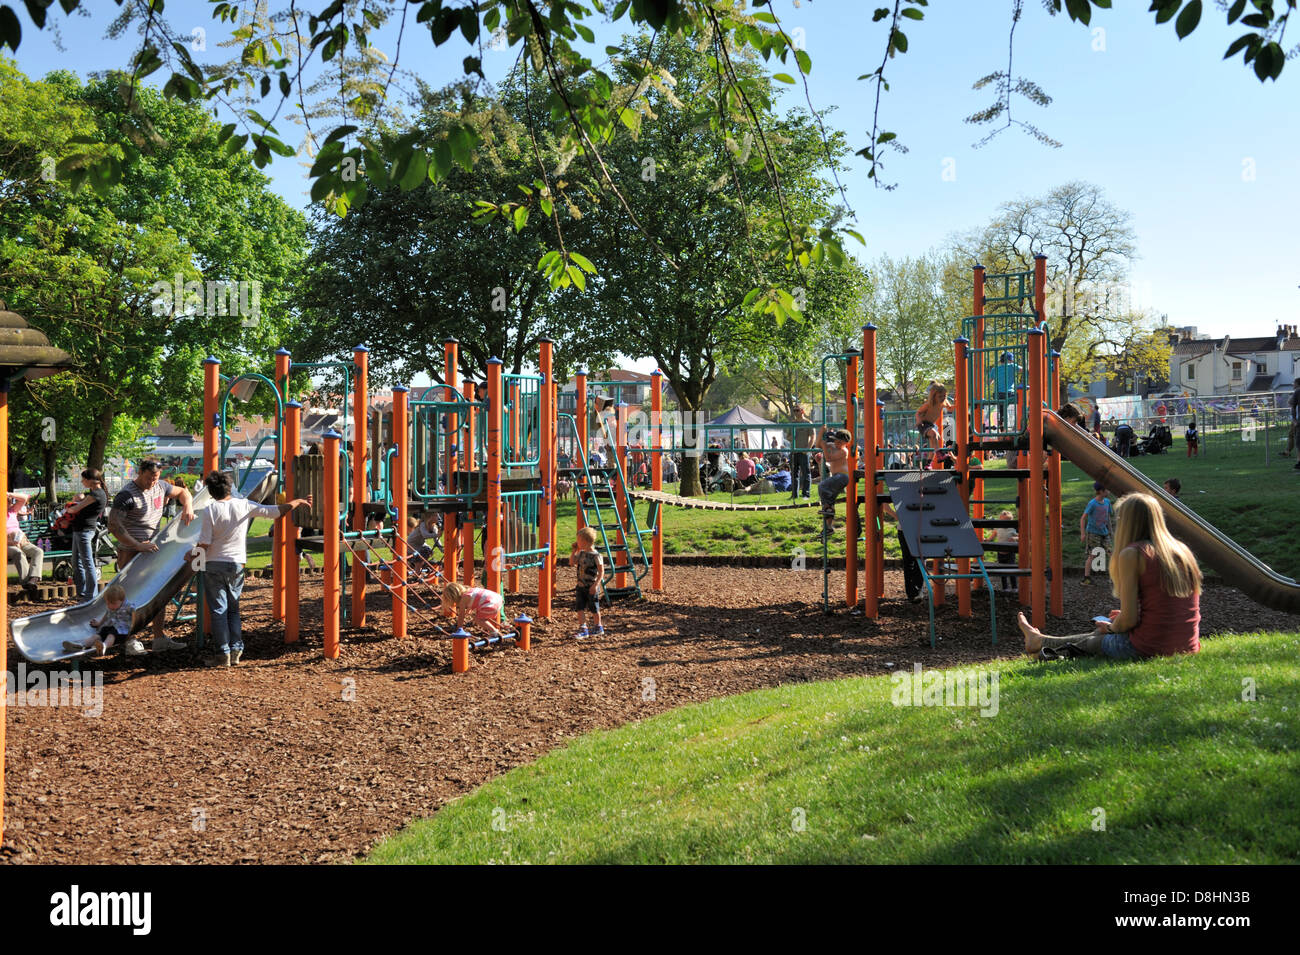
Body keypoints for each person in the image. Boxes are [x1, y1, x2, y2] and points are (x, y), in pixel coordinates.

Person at [1020, 493, 1201, 660]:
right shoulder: (1182, 551)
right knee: (1103, 630)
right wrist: (1117, 621)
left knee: (1097, 640)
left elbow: (1129, 620)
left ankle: (1042, 644)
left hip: (1151, 646)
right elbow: (1164, 606)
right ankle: (1040, 640)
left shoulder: (1134, 554)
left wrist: (1112, 627)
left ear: (1127, 523)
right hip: (1187, 643)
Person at [193, 471, 310, 667]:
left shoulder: (210, 510)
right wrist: (296, 502)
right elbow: (275, 511)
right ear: (230, 488)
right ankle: (237, 648)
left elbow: (204, 543)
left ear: (211, 492)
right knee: (233, 609)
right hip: (237, 563)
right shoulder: (243, 505)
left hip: (214, 563)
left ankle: (223, 653)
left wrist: (192, 554)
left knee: (218, 610)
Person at [109, 459, 196, 655]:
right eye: (149, 478)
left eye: (155, 478)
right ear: (139, 473)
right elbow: (114, 526)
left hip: (153, 548)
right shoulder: (127, 495)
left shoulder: (161, 486)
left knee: (158, 592)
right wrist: (137, 545)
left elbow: (183, 492)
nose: (152, 482)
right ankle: (129, 639)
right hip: (131, 550)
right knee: (129, 594)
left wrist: (188, 506)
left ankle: (159, 638)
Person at [64, 468, 108, 601]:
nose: (82, 481)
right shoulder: (94, 493)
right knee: (77, 563)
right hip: (79, 530)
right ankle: (82, 593)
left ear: (91, 480)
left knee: (87, 563)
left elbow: (75, 509)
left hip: (85, 531)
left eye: (84, 479)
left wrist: (67, 508)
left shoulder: (96, 494)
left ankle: (90, 595)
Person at [63, 584, 134, 657]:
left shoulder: (128, 606)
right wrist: (100, 623)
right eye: (108, 603)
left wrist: (132, 630)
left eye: (112, 603)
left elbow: (136, 613)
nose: (109, 606)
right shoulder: (112, 607)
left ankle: (104, 646)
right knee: (95, 636)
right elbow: (107, 615)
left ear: (122, 600)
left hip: (120, 630)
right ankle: (80, 645)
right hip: (109, 627)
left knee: (111, 636)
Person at [814, 427, 852, 536]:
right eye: (835, 441)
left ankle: (828, 508)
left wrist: (825, 447)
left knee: (822, 486)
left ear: (846, 443)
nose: (836, 443)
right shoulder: (832, 446)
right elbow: (818, 445)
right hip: (836, 476)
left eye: (839, 442)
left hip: (843, 477)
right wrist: (821, 432)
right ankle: (828, 527)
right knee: (829, 501)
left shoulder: (844, 451)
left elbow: (829, 458)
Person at [570, 526, 605, 640]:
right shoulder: (581, 553)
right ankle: (583, 628)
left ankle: (598, 627)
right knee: (580, 607)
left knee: (594, 607)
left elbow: (601, 572)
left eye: (579, 540)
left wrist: (596, 585)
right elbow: (572, 562)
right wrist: (574, 551)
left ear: (585, 541)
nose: (577, 542)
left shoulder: (596, 556)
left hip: (591, 586)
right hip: (580, 585)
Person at [441, 580, 507, 638]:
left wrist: (459, 629)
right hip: (498, 599)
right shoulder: (469, 591)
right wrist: (468, 610)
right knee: (480, 617)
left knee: (478, 619)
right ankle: (489, 628)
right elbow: (476, 599)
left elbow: (461, 615)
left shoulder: (463, 600)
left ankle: (494, 632)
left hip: (490, 603)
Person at [6, 490, 43, 595]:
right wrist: (11, 542)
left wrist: (9, 494)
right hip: (6, 543)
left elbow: (25, 497)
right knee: (18, 553)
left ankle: (33, 579)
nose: (10, 504)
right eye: (7, 502)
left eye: (9, 502)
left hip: (21, 540)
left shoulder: (12, 511)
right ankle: (26, 582)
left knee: (38, 551)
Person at [1079, 482, 1113, 585]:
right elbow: (1083, 518)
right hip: (1093, 533)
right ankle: (1086, 578)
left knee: (1111, 553)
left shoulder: (1107, 502)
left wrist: (1110, 531)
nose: (1109, 491)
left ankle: (1114, 577)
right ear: (1101, 491)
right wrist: (1083, 533)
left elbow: (1108, 517)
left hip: (1104, 532)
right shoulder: (1092, 503)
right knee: (1092, 555)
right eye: (1107, 490)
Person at [915, 382, 954, 468]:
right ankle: (939, 454)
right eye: (940, 396)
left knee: (934, 442)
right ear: (933, 396)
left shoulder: (944, 402)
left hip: (931, 425)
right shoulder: (929, 404)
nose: (942, 398)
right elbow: (918, 412)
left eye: (944, 396)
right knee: (934, 435)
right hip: (923, 424)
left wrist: (959, 404)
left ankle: (929, 464)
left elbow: (950, 408)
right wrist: (918, 421)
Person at [988, 352, 1021, 431]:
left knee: (1002, 408)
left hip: (997, 394)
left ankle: (1002, 423)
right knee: (1020, 401)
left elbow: (989, 382)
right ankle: (1018, 423)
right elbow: (1023, 369)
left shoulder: (994, 369)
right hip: (1009, 393)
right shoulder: (1012, 366)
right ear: (1010, 360)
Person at [789, 406, 814, 501]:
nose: (795, 412)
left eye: (797, 410)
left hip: (804, 452)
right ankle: (794, 495)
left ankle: (806, 495)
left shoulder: (808, 423)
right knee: (794, 474)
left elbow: (813, 437)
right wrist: (793, 437)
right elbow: (788, 437)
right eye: (794, 410)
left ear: (802, 411)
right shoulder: (792, 424)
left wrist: (808, 449)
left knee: (806, 473)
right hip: (794, 452)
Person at [994, 510, 1019, 591]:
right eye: (1003, 521)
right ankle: (1005, 587)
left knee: (1011, 570)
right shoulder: (998, 528)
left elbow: (1021, 536)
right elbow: (993, 535)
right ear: (1000, 520)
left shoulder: (1012, 529)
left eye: (1008, 521)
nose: (1005, 523)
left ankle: (1014, 587)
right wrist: (987, 540)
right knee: (1002, 571)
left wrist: (1015, 538)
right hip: (1000, 553)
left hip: (1010, 552)